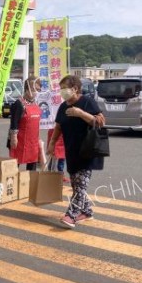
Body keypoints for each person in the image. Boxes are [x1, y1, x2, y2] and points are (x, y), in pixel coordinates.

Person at [47, 75, 105, 229]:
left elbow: (100, 121)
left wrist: (80, 113)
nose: (62, 92)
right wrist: (52, 143)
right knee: (76, 184)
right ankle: (86, 211)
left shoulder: (87, 102)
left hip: (88, 150)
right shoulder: (63, 106)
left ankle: (71, 215)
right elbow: (58, 126)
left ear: (75, 89)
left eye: (65, 88)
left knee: (80, 185)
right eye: (61, 89)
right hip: (71, 150)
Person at [8, 77, 43, 171]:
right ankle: (12, 183)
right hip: (19, 140)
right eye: (34, 89)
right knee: (15, 164)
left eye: (38, 89)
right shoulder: (19, 103)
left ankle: (30, 183)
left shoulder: (36, 103)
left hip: (33, 141)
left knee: (32, 164)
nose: (36, 92)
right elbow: (14, 122)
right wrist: (13, 138)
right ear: (27, 89)